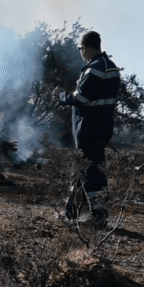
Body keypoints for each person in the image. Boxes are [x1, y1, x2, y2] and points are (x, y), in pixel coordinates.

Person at [58, 31, 122, 229]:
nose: (80, 52)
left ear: (84, 48)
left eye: (80, 49)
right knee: (82, 167)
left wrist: (62, 96)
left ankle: (98, 216)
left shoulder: (94, 68)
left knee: (91, 170)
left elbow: (82, 98)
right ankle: (71, 210)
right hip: (101, 125)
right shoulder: (110, 67)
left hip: (88, 127)